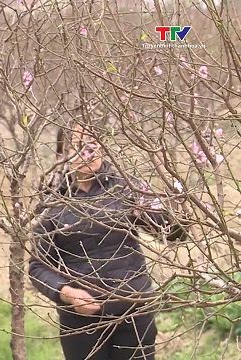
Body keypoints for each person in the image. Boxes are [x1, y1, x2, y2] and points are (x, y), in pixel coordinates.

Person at [28, 122, 184, 360]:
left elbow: (174, 235)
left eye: (92, 146)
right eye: (78, 147)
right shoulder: (51, 199)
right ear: (62, 155)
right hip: (82, 325)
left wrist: (170, 201)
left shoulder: (126, 186)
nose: (87, 154)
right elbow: (37, 266)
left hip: (134, 311)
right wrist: (66, 292)